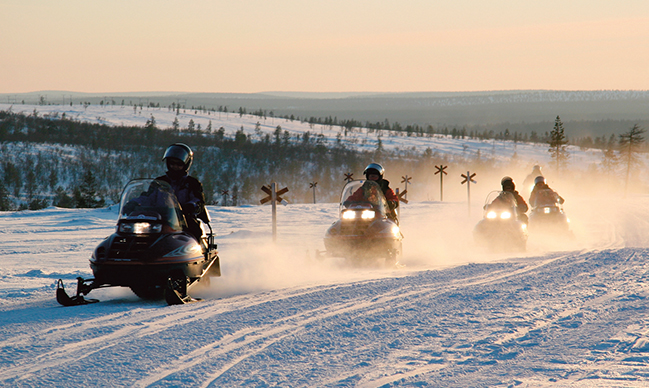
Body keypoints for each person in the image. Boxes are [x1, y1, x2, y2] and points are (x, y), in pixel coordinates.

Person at [156, 143, 209, 244]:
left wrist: (191, 206)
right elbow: (148, 197)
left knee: (194, 231)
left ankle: (195, 252)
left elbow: (198, 200)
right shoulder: (159, 182)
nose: (175, 167)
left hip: (184, 218)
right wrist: (135, 203)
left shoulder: (192, 183)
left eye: (179, 164)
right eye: (172, 163)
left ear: (185, 164)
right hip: (160, 218)